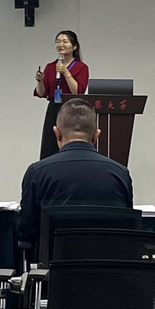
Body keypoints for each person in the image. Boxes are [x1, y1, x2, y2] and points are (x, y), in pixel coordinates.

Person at [17, 98, 133, 246]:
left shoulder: (37, 173)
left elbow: (26, 232)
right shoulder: (121, 174)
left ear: (57, 133)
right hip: (108, 259)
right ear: (96, 136)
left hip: (54, 260)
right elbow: (128, 228)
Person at [34, 30, 89, 160]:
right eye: (58, 42)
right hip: (54, 107)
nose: (61, 44)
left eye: (65, 42)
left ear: (74, 46)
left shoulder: (81, 67)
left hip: (72, 108)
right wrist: (39, 81)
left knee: (70, 140)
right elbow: (42, 93)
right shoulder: (50, 66)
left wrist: (66, 72)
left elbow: (78, 91)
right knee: (50, 142)